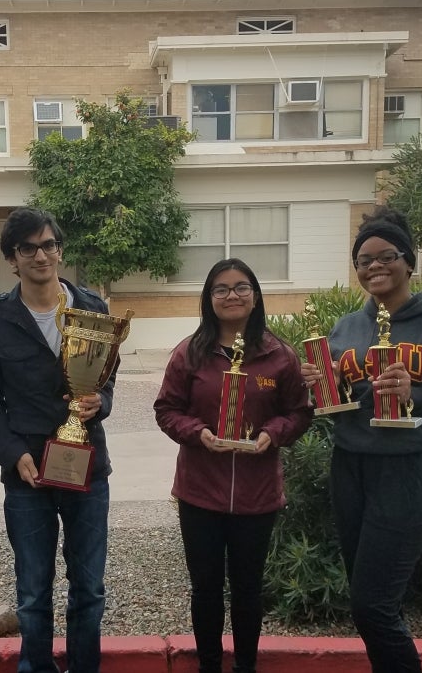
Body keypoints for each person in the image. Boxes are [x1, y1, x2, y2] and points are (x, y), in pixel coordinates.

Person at [302, 206, 422, 673]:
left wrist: (418, 395)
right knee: (376, 601)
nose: (374, 267)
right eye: (364, 260)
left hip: (408, 471)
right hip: (349, 468)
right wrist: (321, 387)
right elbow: (345, 403)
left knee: (372, 607)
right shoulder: (346, 327)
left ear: (409, 261)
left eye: (386, 256)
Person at [0, 207, 114, 673]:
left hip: (88, 467)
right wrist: (13, 456)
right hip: (27, 473)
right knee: (33, 592)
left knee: (89, 589)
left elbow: (106, 380)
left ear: (60, 250)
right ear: (13, 258)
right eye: (28, 247)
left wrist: (100, 403)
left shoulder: (92, 307)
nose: (41, 255)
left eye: (49, 244)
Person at [154, 258, 313, 673]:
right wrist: (198, 432)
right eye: (221, 289)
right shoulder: (189, 353)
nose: (232, 295)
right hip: (200, 492)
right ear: (209, 299)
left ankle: (245, 665)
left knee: (247, 589)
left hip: (256, 496)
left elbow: (299, 412)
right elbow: (167, 409)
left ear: (256, 296)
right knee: (205, 589)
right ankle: (209, 665)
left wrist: (272, 433)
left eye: (241, 287)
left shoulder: (279, 355)